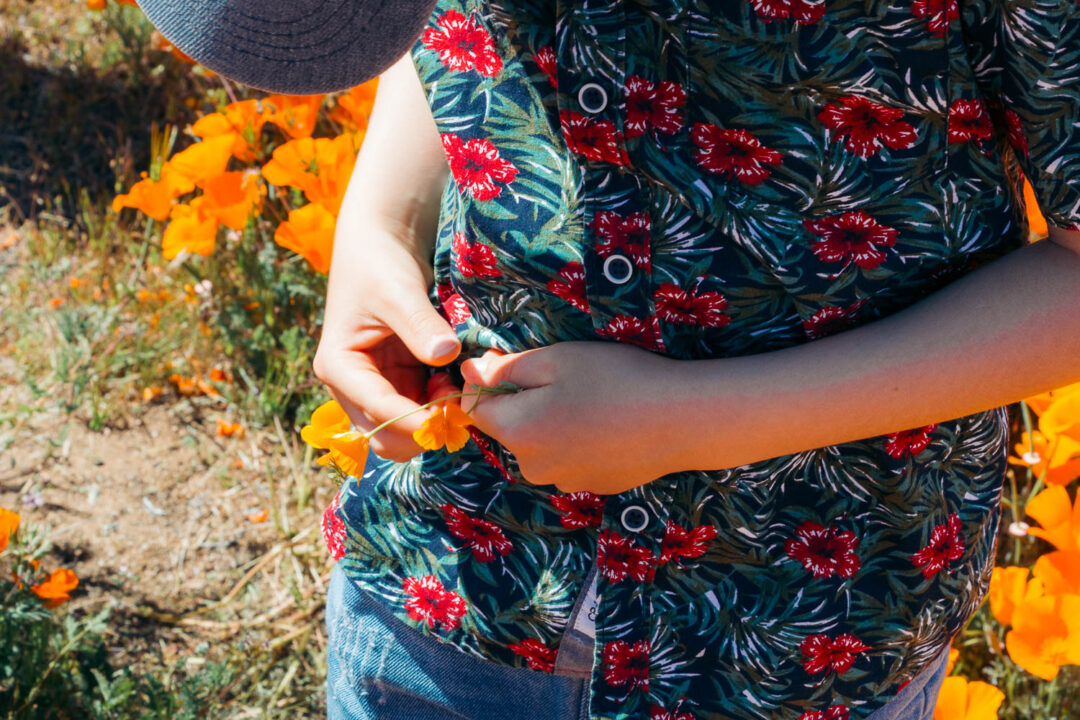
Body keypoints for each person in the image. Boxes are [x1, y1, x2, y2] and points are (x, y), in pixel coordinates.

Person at [138, 0, 1080, 717]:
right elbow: (453, 30)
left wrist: (692, 419)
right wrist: (379, 225)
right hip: (445, 578)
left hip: (797, 629)